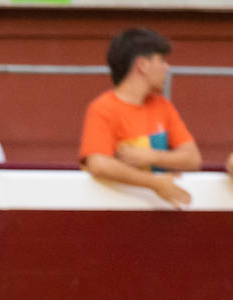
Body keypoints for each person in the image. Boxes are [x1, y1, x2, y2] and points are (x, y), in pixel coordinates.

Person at [80, 28, 201, 208]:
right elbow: (98, 164)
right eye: (161, 60)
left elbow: (193, 159)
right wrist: (155, 183)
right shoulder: (103, 108)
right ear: (142, 65)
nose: (167, 68)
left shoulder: (163, 106)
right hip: (116, 212)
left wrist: (151, 156)